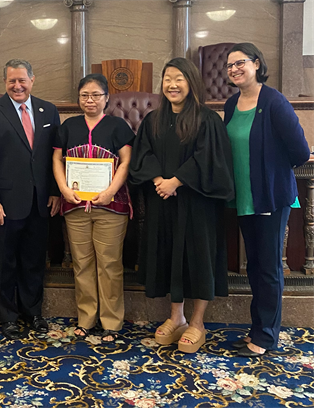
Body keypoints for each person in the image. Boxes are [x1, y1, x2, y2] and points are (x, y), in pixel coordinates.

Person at [129, 58, 234, 353]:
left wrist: (177, 181)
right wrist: (158, 179)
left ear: (191, 82)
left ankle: (197, 323)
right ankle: (176, 317)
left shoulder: (207, 119)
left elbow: (210, 159)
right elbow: (143, 155)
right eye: (167, 79)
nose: (172, 85)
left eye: (179, 79)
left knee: (198, 259)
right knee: (169, 256)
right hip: (163, 202)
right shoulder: (154, 119)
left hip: (197, 204)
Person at [224, 43, 310, 357]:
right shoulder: (232, 104)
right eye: (229, 65)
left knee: (270, 267)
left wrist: (272, 170)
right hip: (244, 197)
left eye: (240, 62)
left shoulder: (274, 101)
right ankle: (256, 330)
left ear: (257, 64)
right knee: (255, 265)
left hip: (271, 198)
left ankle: (265, 337)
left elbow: (300, 152)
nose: (234, 69)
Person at [0, 59, 60, 340]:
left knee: (34, 260)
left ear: (32, 80)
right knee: (4, 261)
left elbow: (53, 157)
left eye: (22, 80)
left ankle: (32, 312)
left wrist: (55, 191)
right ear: (5, 82)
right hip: (4, 204)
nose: (17, 85)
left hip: (41, 202)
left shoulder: (49, 110)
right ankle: (8, 316)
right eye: (12, 81)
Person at [52, 73, 134, 343]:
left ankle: (111, 321)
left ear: (106, 98)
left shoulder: (117, 126)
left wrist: (110, 191)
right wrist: (64, 190)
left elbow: (126, 161)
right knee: (82, 263)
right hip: (75, 206)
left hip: (110, 206)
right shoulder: (69, 126)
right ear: (78, 99)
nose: (90, 100)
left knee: (109, 264)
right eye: (85, 95)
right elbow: (56, 159)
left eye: (96, 95)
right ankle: (86, 318)